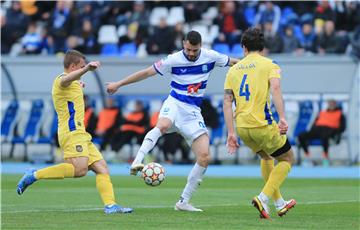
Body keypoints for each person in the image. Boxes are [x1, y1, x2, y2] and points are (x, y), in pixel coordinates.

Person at [106, 30, 239, 212]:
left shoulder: (211, 56)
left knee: (205, 156)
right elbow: (146, 73)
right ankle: (137, 160)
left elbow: (234, 63)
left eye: (195, 50)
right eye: (188, 49)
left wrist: (256, 67)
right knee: (163, 125)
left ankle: (183, 202)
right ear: (183, 44)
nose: (191, 53)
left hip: (192, 112)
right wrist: (118, 84)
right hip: (175, 103)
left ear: (200, 46)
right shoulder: (173, 60)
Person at [16, 50, 133, 214]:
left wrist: (80, 81)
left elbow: (72, 82)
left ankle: (110, 205)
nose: (84, 69)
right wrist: (86, 70)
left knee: (102, 168)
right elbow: (66, 80)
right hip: (71, 132)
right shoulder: (60, 80)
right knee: (80, 170)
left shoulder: (75, 82)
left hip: (81, 133)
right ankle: (35, 174)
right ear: (72, 66)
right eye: (81, 66)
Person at [223, 28, 296, 220]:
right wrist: (282, 117)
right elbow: (276, 88)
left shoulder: (233, 69)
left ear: (243, 48)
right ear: (262, 47)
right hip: (262, 124)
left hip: (242, 127)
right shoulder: (270, 64)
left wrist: (231, 132)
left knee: (266, 157)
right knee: (288, 159)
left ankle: (279, 203)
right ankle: (263, 198)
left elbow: (227, 102)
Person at [298, 99, 346, 166]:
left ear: (335, 104)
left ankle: (325, 157)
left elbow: (342, 128)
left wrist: (334, 131)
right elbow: (315, 123)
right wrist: (313, 129)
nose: (331, 104)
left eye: (332, 103)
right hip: (317, 130)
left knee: (325, 136)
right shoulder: (322, 113)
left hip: (329, 130)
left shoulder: (340, 114)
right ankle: (307, 156)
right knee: (301, 136)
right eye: (330, 103)